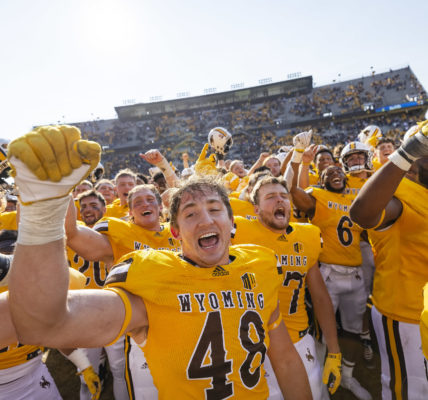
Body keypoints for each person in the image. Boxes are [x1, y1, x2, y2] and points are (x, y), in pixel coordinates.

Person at [8, 125, 312, 399]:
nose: (205, 220)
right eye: (191, 213)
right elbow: (45, 323)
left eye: (214, 209)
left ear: (233, 222)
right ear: (175, 232)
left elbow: (285, 359)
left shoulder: (259, 264)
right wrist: (43, 214)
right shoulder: (152, 274)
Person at [231, 175, 341, 399]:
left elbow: (320, 296)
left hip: (298, 338)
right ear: (255, 209)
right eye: (270, 197)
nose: (279, 200)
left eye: (283, 196)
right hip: (253, 344)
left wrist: (334, 350)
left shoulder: (308, 235)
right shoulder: (238, 231)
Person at [289, 131, 371, 400]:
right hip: (328, 274)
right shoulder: (318, 196)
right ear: (320, 180)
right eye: (328, 173)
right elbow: (293, 191)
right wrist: (299, 160)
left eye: (338, 171)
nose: (335, 173)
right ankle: (322, 379)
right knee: (324, 330)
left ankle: (347, 376)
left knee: (353, 329)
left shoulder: (355, 199)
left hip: (356, 274)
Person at [350, 121, 428, 399]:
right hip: (407, 314)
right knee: (411, 390)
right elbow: (362, 213)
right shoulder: (401, 192)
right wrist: (406, 153)